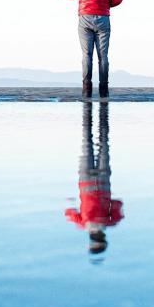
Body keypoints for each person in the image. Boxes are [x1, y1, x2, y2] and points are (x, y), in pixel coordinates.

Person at [63, 0, 123, 98]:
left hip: (85, 19)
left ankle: (86, 90)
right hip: (103, 19)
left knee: (86, 55)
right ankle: (104, 91)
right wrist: (106, 3)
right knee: (103, 56)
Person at [64, 101, 121, 256]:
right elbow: (68, 212)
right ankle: (90, 110)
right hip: (85, 178)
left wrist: (109, 204)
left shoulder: (110, 222)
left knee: (103, 142)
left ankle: (98, 111)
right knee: (86, 140)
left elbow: (118, 204)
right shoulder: (82, 223)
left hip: (103, 179)